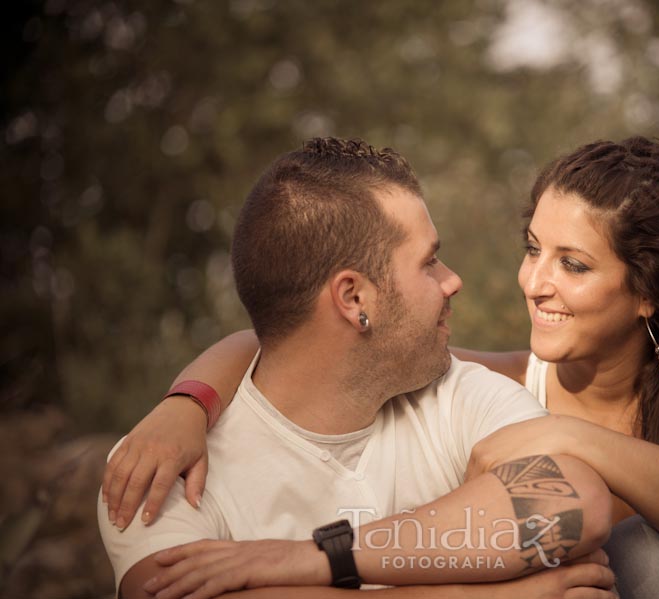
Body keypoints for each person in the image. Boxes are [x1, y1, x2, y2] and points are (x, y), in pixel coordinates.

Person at [106, 137, 659, 598]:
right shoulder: (505, 378)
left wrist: (563, 434)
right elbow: (284, 337)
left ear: (649, 289)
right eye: (533, 249)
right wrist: (189, 396)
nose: (532, 281)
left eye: (573, 263)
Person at [98, 138, 620, 599]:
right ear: (354, 297)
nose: (452, 280)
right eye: (428, 261)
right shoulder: (162, 465)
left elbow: (574, 502)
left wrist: (306, 559)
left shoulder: (457, 395)